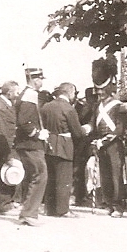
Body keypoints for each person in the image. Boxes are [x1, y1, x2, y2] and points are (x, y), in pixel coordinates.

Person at [40, 82, 91, 217]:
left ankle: (49, 209)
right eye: (74, 93)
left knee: (50, 177)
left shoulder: (46, 107)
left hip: (49, 144)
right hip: (64, 145)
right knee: (64, 178)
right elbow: (77, 132)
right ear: (69, 93)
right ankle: (63, 210)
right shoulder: (68, 108)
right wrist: (87, 129)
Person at [89, 56, 127, 218]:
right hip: (101, 143)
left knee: (115, 175)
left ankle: (119, 206)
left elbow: (120, 129)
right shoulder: (97, 106)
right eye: (97, 90)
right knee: (104, 175)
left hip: (114, 144)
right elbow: (93, 124)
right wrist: (86, 130)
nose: (98, 93)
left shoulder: (120, 106)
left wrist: (103, 141)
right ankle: (109, 203)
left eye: (101, 90)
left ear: (107, 89)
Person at [13, 67, 50, 226]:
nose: (41, 82)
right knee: (40, 175)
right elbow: (24, 122)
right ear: (35, 79)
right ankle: (29, 214)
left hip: (26, 143)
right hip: (31, 144)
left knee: (33, 176)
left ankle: (26, 213)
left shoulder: (26, 94)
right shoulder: (29, 95)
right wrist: (37, 134)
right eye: (40, 79)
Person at [0, 81, 21, 214]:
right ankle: (3, 205)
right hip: (4, 148)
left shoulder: (7, 105)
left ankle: (9, 201)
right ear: (9, 93)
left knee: (11, 174)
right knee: (3, 175)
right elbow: (0, 132)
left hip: (11, 146)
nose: (18, 95)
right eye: (16, 92)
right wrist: (7, 154)